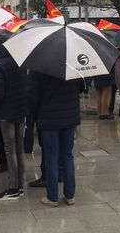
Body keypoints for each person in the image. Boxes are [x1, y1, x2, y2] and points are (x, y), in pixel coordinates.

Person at [28, 71, 83, 207]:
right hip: (70, 116)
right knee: (67, 155)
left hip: (48, 119)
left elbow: (32, 97)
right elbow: (81, 88)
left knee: (51, 156)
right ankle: (70, 196)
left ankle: (52, 197)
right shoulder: (72, 67)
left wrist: (34, 116)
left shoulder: (39, 68)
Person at [0, 38, 27, 200]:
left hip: (6, 114)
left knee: (10, 150)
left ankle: (13, 188)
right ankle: (20, 184)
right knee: (19, 149)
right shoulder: (21, 64)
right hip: (20, 111)